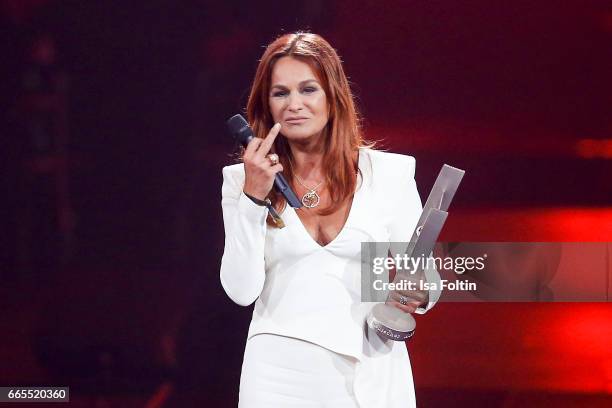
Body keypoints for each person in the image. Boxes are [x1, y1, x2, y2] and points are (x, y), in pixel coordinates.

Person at [220, 32, 440, 408]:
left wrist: (417, 292)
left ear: (332, 96)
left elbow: (426, 279)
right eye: (280, 93)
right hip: (277, 376)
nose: (294, 105)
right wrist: (254, 198)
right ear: (267, 105)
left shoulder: (389, 174)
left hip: (369, 371)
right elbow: (241, 290)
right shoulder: (242, 181)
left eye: (308, 89)